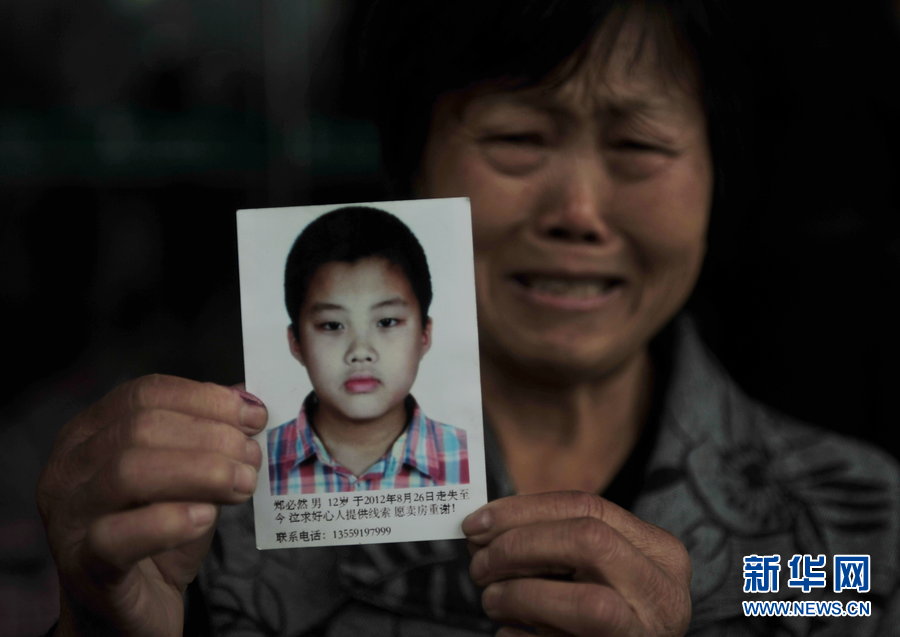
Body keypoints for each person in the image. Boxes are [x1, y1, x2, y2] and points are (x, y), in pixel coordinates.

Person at [36, 1, 899, 635]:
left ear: (719, 174)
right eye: (519, 140)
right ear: (414, 164)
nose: (579, 210)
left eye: (640, 145)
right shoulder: (200, 526)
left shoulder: (849, 531)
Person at [267, 206, 469, 494]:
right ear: (295, 343)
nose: (360, 352)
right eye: (332, 325)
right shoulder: (255, 463)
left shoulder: (470, 460)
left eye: (387, 322)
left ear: (425, 335)